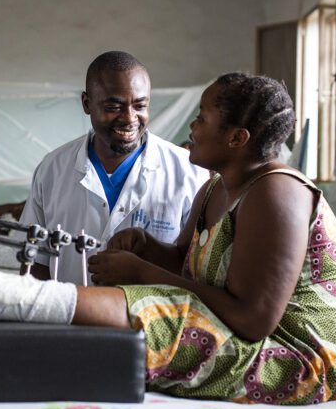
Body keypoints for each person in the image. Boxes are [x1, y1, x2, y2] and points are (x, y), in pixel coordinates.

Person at [0, 73, 336, 405]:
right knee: (154, 302)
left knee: (160, 312)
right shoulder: (216, 188)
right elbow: (183, 264)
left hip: (297, 361)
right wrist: (146, 246)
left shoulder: (277, 194)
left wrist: (143, 272)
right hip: (248, 335)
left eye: (202, 118)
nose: (191, 128)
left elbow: (254, 319)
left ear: (237, 138)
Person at [18, 51, 208, 284]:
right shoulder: (53, 169)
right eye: (113, 107)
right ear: (87, 104)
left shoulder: (188, 171)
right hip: (67, 317)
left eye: (140, 106)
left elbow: (200, 268)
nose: (129, 118)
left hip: (154, 319)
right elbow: (34, 261)